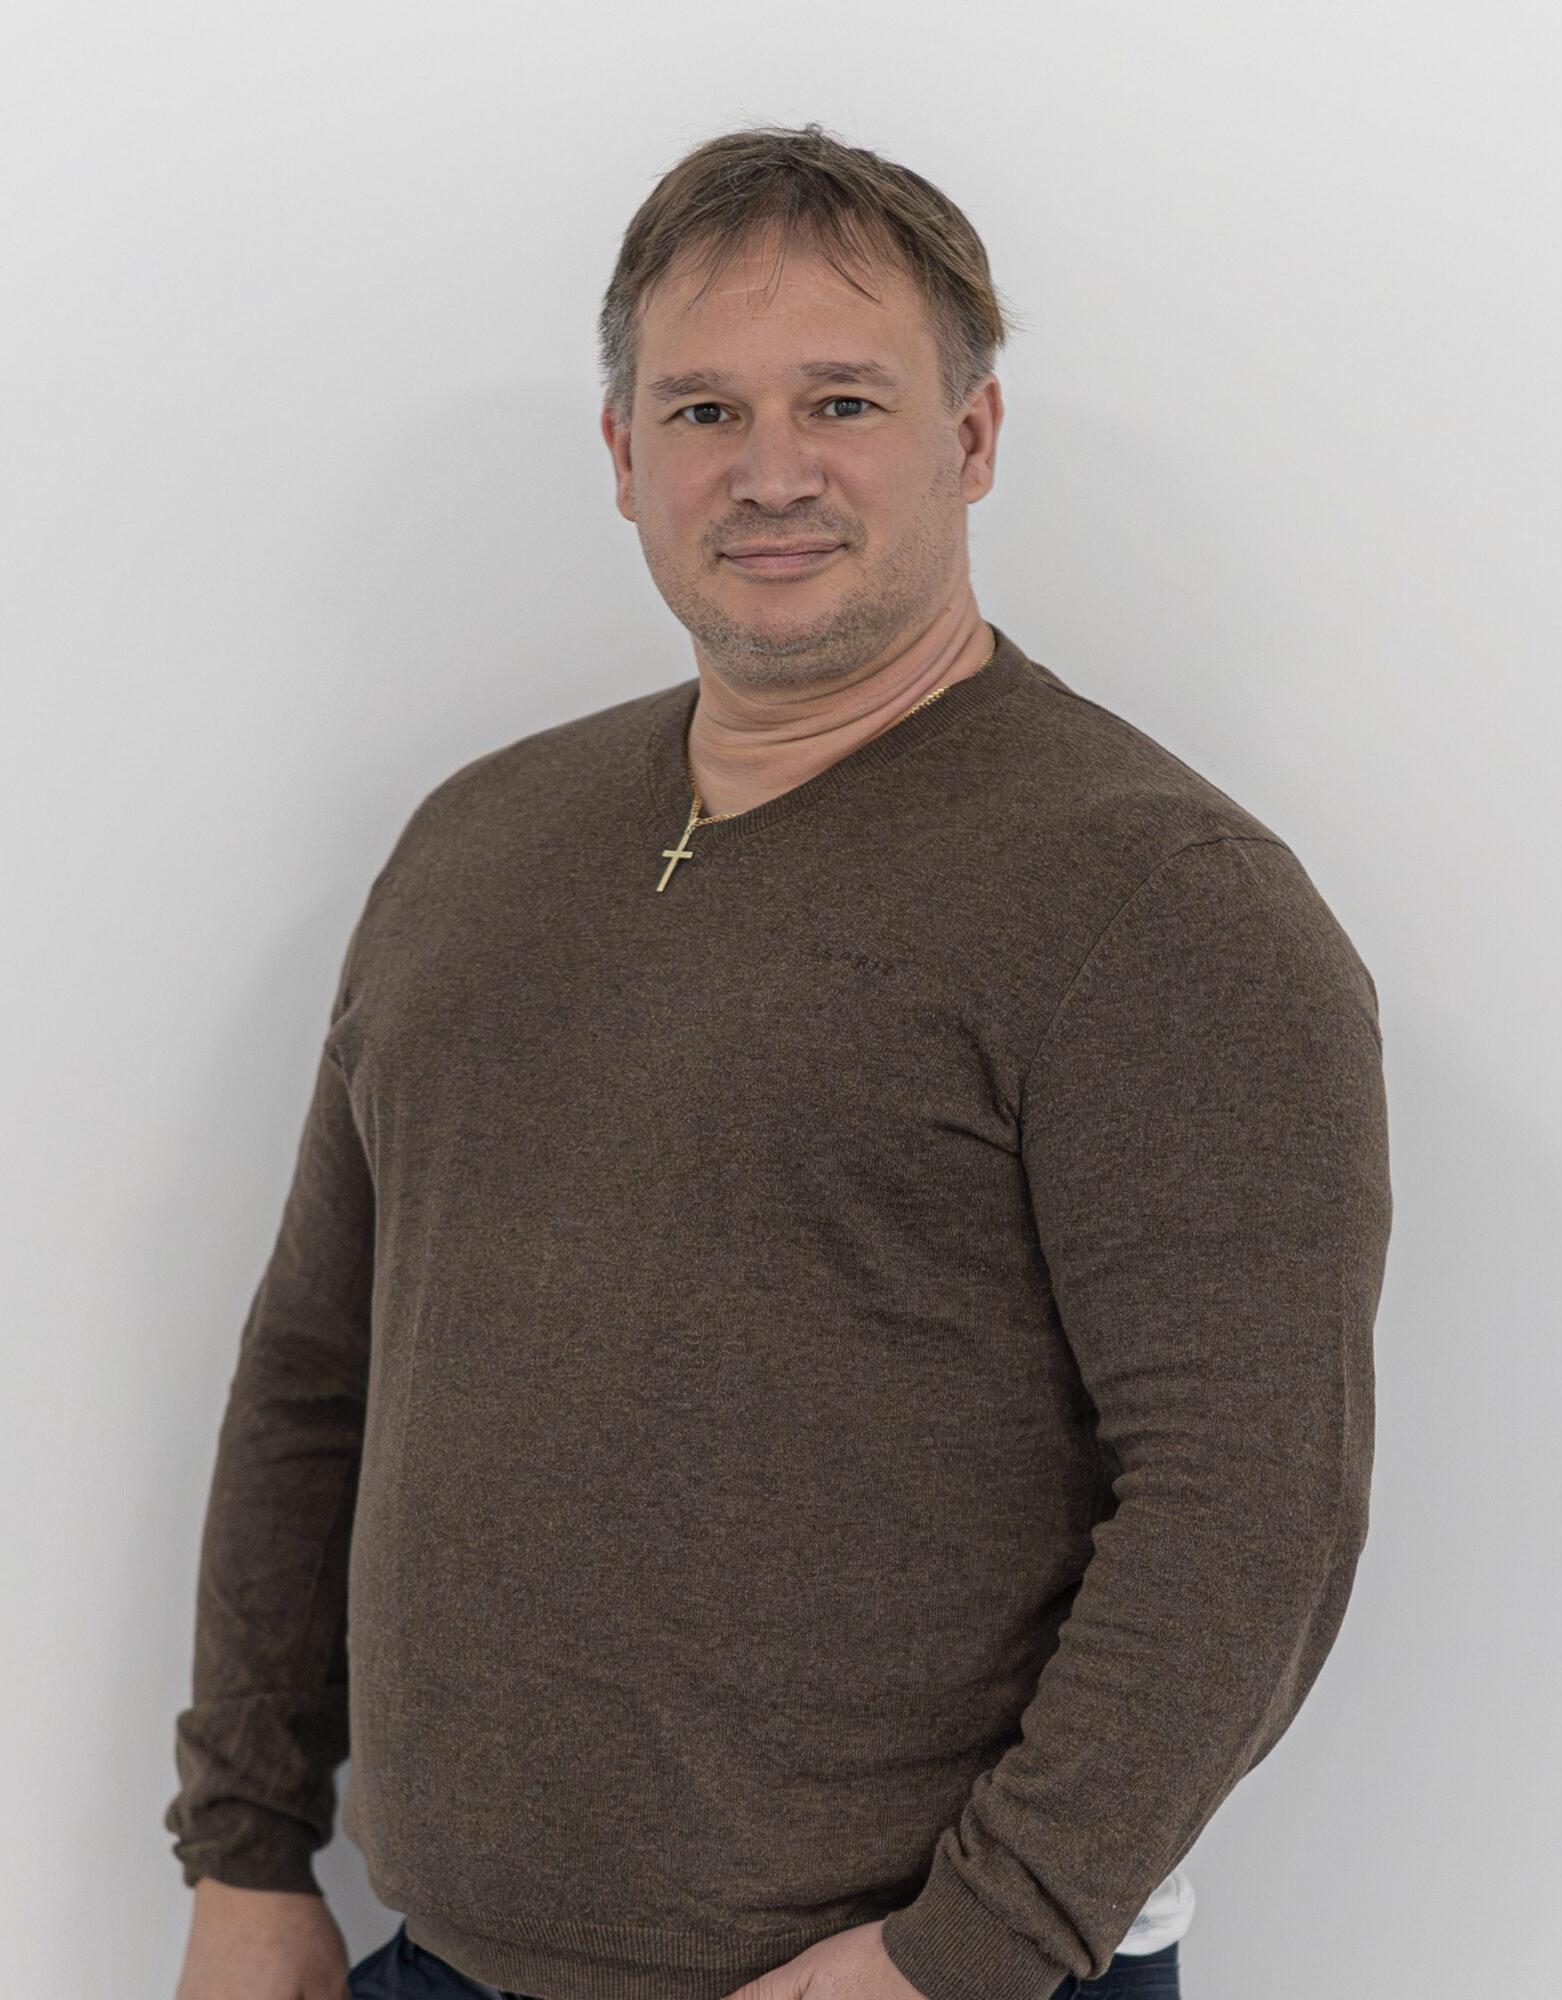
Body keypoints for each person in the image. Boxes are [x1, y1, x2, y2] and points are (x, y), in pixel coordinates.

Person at [167, 124, 1391, 2000]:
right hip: (434, 1964)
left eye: (842, 400)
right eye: (704, 411)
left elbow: (1254, 1505)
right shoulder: (477, 838)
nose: (771, 471)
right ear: (621, 455)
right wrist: (248, 1853)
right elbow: (316, 1374)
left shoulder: (1158, 899)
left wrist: (971, 1946)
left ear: (972, 437)